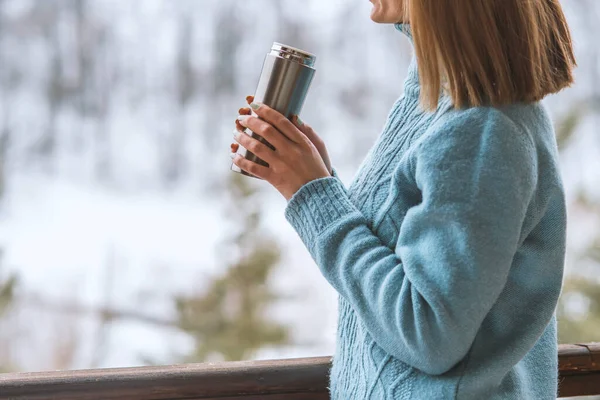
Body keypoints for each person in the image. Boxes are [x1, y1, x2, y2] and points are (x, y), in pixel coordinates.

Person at [229, 0, 576, 398]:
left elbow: (428, 331)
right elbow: (405, 253)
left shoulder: (483, 126)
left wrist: (313, 196)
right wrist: (317, 176)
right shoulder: (440, 101)